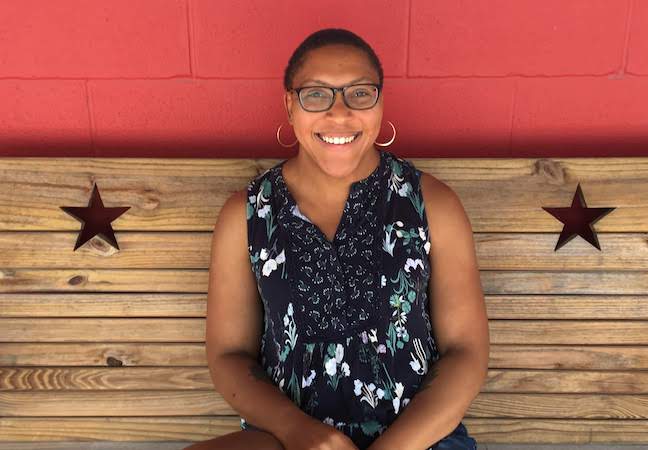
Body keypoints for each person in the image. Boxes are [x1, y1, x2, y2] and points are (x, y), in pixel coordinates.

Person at [183, 28, 489, 450]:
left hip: (420, 440)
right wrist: (297, 430)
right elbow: (228, 355)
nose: (339, 113)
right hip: (288, 440)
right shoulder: (248, 214)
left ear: (380, 103)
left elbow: (465, 351)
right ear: (289, 104)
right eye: (316, 95)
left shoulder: (431, 204)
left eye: (360, 94)